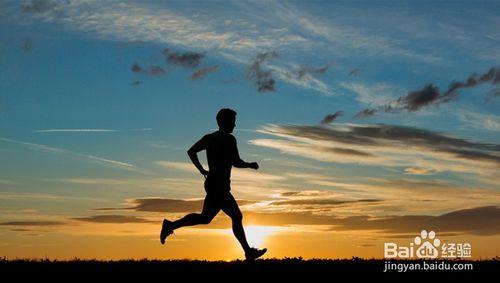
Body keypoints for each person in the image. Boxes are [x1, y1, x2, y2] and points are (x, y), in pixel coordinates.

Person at [160, 108, 267, 261]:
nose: (235, 125)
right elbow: (236, 161)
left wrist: (202, 170)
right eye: (232, 121)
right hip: (219, 185)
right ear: (223, 121)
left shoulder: (210, 138)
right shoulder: (229, 139)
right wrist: (250, 165)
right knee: (236, 216)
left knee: (206, 218)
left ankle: (170, 226)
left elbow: (191, 151)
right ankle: (248, 252)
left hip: (213, 183)